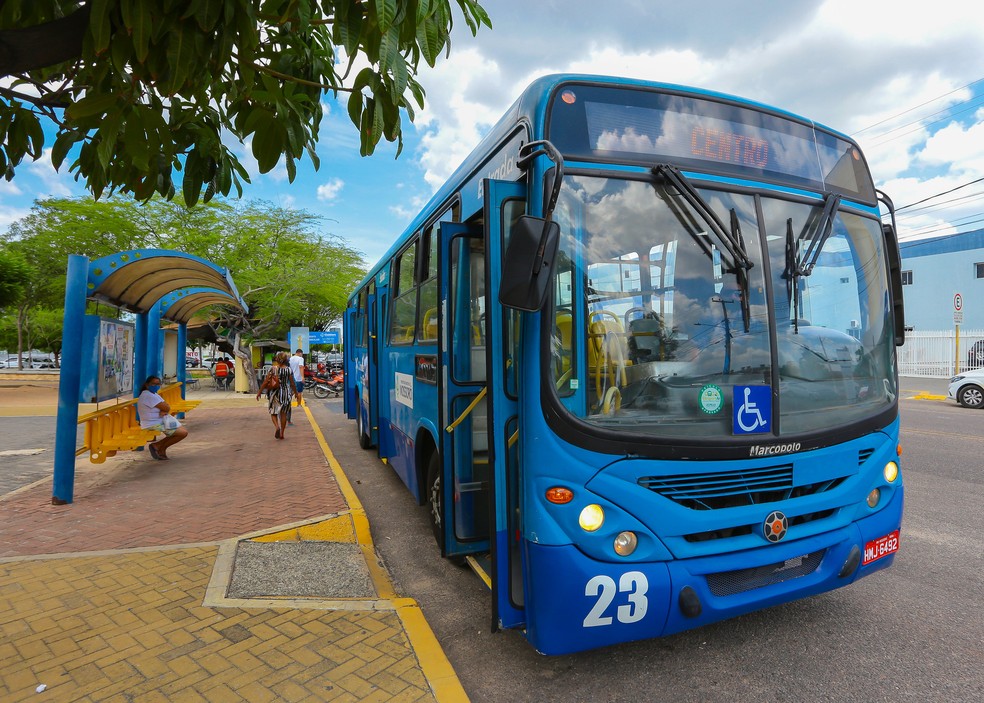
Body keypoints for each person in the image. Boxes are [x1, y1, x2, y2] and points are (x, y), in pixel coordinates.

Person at [137, 375, 189, 460]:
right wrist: (164, 409)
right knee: (182, 433)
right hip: (152, 423)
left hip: (159, 421)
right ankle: (158, 446)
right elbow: (167, 407)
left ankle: (160, 448)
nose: (156, 386)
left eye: (158, 384)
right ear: (147, 385)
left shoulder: (153, 394)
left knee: (180, 431)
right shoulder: (148, 395)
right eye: (153, 384)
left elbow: (165, 405)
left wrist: (164, 409)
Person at [256, 351, 294, 439]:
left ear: (277, 359)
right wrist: (295, 393)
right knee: (283, 413)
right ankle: (282, 433)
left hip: (275, 392)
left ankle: (277, 427)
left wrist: (259, 392)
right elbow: (292, 383)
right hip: (285, 393)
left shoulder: (273, 369)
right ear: (286, 360)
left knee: (273, 412)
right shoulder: (289, 370)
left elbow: (266, 382)